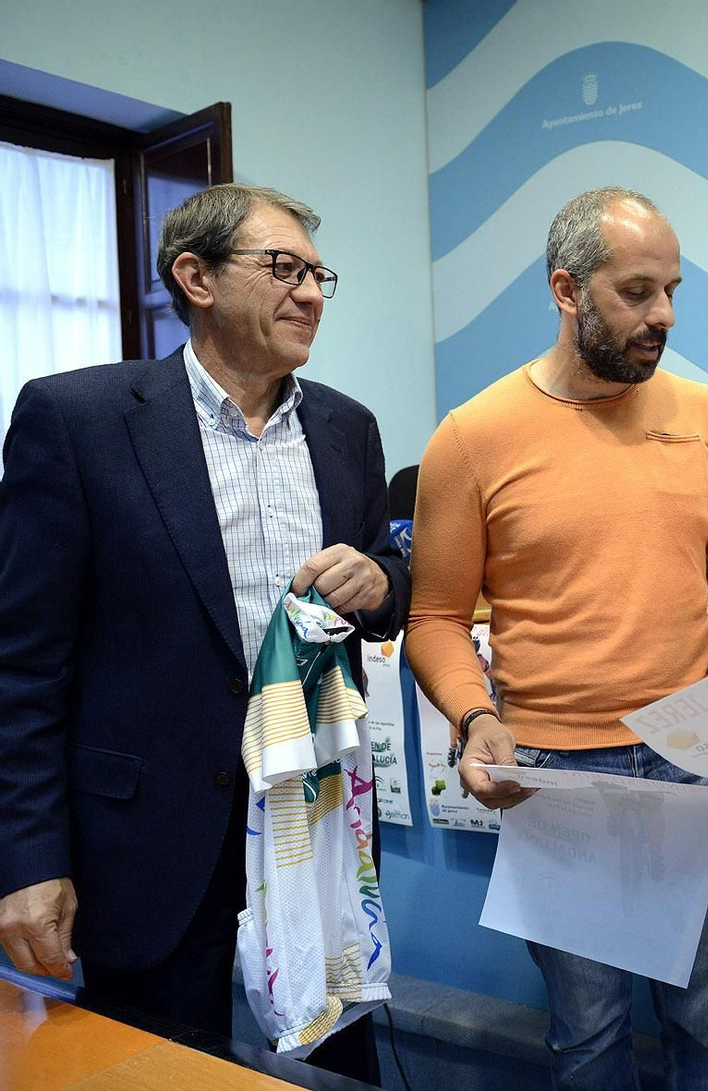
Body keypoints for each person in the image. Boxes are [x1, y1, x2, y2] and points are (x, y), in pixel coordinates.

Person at [0, 184, 408, 1081]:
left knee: (336, 1064)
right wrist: (27, 859)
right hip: (149, 839)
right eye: (284, 269)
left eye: (319, 275)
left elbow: (385, 576)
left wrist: (382, 583)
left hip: (314, 822)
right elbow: (23, 668)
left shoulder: (348, 428)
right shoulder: (79, 421)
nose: (312, 294)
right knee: (157, 1069)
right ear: (197, 278)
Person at [405, 187, 708, 1091]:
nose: (664, 315)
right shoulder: (472, 437)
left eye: (672, 290)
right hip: (555, 774)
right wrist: (475, 718)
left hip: (694, 754)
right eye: (636, 292)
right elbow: (435, 619)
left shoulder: (702, 415)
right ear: (567, 289)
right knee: (587, 1037)